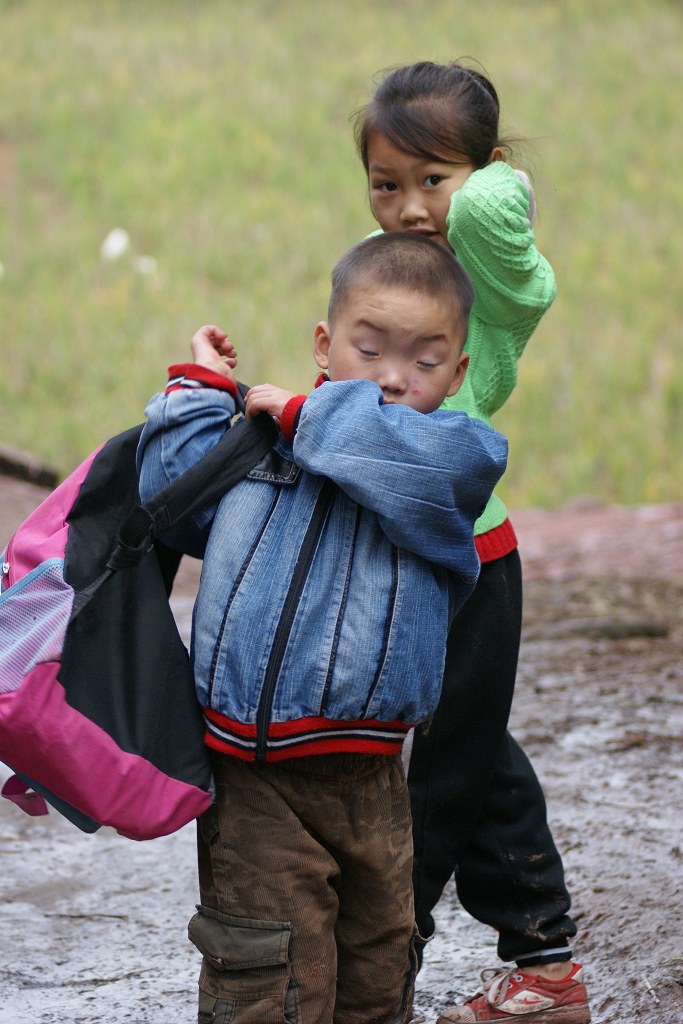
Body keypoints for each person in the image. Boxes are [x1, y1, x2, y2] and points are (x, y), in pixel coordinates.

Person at [137, 231, 508, 1024]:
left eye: (424, 362)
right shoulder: (263, 453)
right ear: (323, 341)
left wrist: (309, 412)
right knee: (265, 977)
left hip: (373, 779)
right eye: (368, 349)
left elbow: (403, 455)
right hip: (254, 780)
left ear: (460, 373)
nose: (392, 379)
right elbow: (169, 493)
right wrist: (203, 388)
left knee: (375, 968)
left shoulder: (450, 462)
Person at [353, 61, 592, 1024]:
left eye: (431, 179)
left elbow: (499, 208)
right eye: (384, 183)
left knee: (453, 764)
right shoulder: (394, 265)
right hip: (398, 556)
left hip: (470, 563)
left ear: (481, 172)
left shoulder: (493, 287)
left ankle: (391, 946)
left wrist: (493, 179)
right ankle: (542, 965)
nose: (409, 208)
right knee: (465, 749)